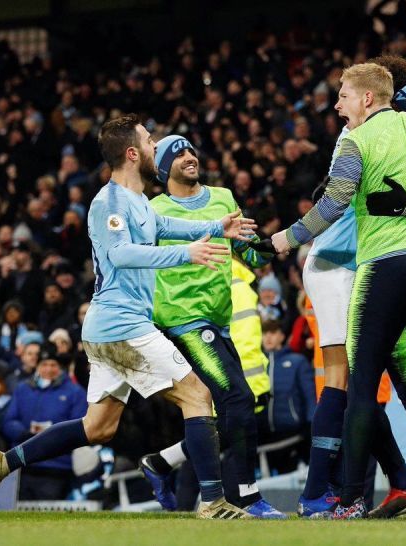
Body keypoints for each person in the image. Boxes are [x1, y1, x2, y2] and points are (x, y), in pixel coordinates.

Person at [0, 114, 257, 519]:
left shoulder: (138, 201)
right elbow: (120, 254)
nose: (157, 146)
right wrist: (187, 253)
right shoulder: (108, 203)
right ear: (132, 153)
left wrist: (217, 226)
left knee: (98, 427)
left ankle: (4, 462)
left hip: (113, 327)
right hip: (122, 326)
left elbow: (166, 224)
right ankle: (213, 502)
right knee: (198, 394)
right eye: (150, 140)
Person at [272, 63, 406, 519]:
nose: (338, 104)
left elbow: (334, 201)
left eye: (343, 95)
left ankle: (351, 500)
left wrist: (284, 239)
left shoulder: (355, 140)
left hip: (382, 269)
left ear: (367, 98)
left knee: (360, 386)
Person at [138, 134, 284, 518]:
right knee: (237, 401)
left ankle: (162, 464)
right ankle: (245, 498)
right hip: (183, 322)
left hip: (218, 324)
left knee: (226, 411)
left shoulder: (223, 198)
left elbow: (248, 253)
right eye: (178, 153)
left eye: (191, 150)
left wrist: (275, 244)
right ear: (163, 168)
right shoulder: (153, 211)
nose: (189, 156)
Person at [3, 343, 86, 500]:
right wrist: (25, 433)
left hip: (56, 467)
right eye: (44, 364)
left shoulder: (75, 392)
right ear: (38, 366)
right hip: (23, 465)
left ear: (60, 367)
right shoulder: (22, 389)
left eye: (53, 364)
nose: (48, 369)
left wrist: (51, 436)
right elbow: (8, 422)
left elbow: (78, 429)